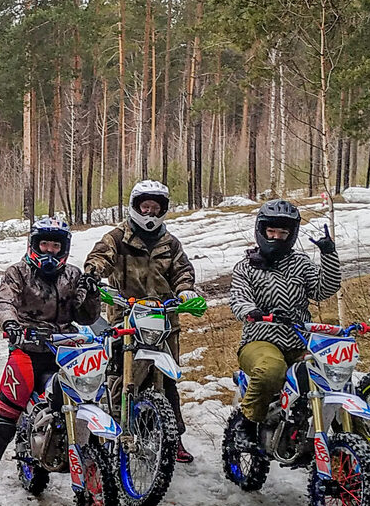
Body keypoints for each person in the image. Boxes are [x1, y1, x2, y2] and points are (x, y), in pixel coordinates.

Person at [0, 217, 101, 506]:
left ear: (64, 247)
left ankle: (101, 477)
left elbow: (88, 317)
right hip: (27, 348)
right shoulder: (18, 272)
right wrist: (12, 325)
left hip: (66, 350)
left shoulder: (73, 275)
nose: (50, 251)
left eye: (56, 245)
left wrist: (92, 292)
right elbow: (3, 303)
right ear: (34, 244)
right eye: (45, 244)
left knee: (91, 403)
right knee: (6, 419)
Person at [83, 179, 203, 462]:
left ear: (163, 210)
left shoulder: (170, 243)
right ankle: (113, 429)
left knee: (167, 379)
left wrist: (185, 291)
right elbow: (100, 257)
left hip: (164, 319)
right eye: (145, 206)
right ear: (135, 206)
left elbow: (183, 271)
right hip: (126, 316)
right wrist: (92, 274)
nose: (149, 213)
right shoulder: (117, 237)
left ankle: (174, 438)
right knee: (121, 374)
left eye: (155, 207)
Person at [227, 200, 342, 449]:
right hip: (259, 339)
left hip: (299, 339)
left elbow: (324, 289)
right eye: (272, 232)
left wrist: (329, 254)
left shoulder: (300, 264)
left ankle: (347, 437)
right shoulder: (246, 267)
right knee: (271, 369)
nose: (277, 237)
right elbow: (238, 297)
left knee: (334, 372)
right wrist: (252, 312)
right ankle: (246, 423)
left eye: (283, 233)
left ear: (292, 234)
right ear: (262, 230)